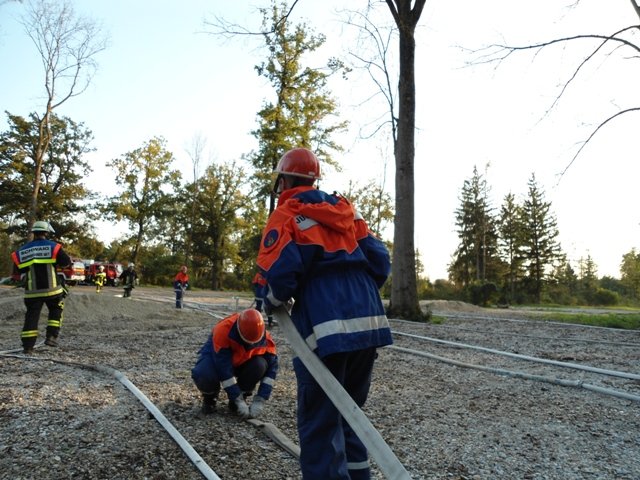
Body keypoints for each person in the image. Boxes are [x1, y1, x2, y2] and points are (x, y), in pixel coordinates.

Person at [257, 147, 392, 480]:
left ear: (285, 179)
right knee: (351, 414)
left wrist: (271, 300)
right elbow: (380, 261)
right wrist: (357, 291)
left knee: (319, 421)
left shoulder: (288, 213)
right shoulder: (347, 211)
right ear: (315, 179)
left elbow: (280, 275)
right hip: (369, 319)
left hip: (325, 322)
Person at [191, 308, 278, 418]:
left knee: (259, 365)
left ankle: (240, 397)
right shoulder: (223, 330)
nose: (249, 344)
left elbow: (271, 372)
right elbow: (224, 369)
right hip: (217, 357)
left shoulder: (266, 339)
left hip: (243, 361)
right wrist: (237, 398)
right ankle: (210, 398)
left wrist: (261, 399)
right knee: (203, 373)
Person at [11, 221, 72, 354]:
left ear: (34, 233)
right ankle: (51, 336)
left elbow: (18, 271)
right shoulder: (54, 247)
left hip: (32, 292)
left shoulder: (23, 250)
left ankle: (28, 347)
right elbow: (66, 263)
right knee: (56, 309)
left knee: (31, 317)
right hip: (53, 290)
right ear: (46, 233)